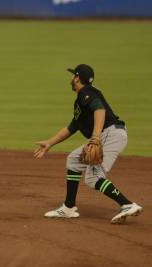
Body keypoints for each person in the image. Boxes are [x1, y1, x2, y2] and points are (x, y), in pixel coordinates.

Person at [34, 64, 142, 224]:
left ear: (77, 78)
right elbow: (72, 127)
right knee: (73, 160)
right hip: (108, 133)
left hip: (110, 134)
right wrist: (50, 143)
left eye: (73, 76)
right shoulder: (81, 101)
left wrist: (95, 138)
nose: (71, 78)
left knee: (93, 177)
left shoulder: (87, 92)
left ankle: (127, 204)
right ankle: (69, 208)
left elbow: (100, 110)